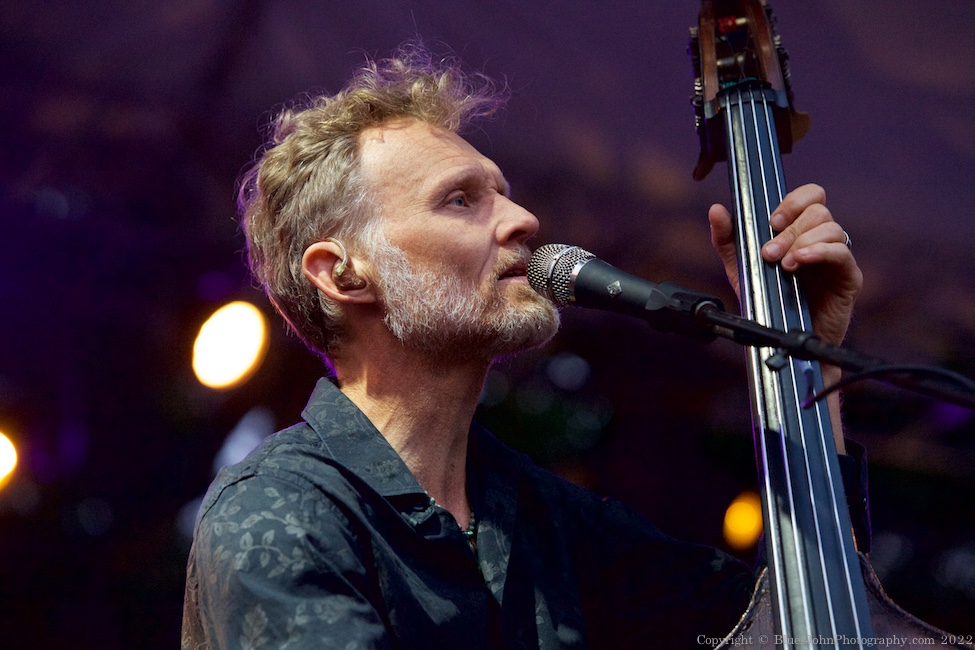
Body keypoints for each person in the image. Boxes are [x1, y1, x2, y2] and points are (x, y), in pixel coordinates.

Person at [181, 45, 863, 649]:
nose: (523, 220)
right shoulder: (282, 511)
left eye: (502, 194)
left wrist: (807, 354)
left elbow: (797, 630)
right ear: (344, 273)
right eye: (459, 201)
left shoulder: (545, 516)